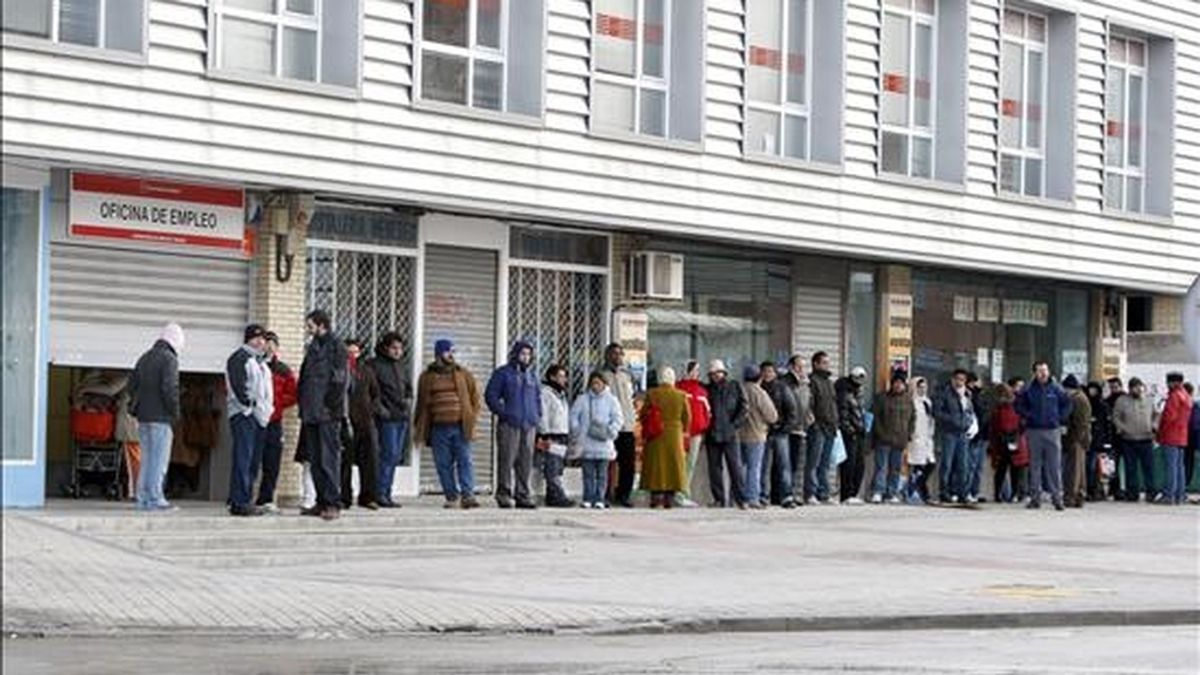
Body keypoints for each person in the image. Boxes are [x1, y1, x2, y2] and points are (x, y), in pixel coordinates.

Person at [414, 339, 482, 510]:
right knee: (443, 464)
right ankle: (451, 496)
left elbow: (475, 398)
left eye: (453, 352)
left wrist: (471, 418)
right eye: (447, 352)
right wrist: (419, 426)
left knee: (465, 461)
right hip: (438, 427)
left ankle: (468, 496)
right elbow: (421, 403)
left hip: (460, 426)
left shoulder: (463, 374)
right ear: (438, 353)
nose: (451, 355)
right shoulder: (427, 376)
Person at [297, 310, 349, 521]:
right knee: (315, 460)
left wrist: (330, 407)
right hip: (311, 412)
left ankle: (332, 503)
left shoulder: (336, 346)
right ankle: (320, 501)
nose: (308, 329)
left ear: (321, 325)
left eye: (310, 325)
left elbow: (339, 381)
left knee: (329, 459)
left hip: (327, 413)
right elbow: (304, 377)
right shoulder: (313, 347)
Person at [129, 322, 184, 512]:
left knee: (146, 459)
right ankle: (155, 498)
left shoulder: (144, 357)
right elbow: (170, 388)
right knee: (159, 460)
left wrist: (136, 409)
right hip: (161, 417)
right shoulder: (169, 359)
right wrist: (175, 412)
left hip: (143, 417)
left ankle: (143, 498)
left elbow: (132, 385)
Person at [485, 340, 542, 510]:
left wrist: (537, 416)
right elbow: (491, 396)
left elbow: (538, 398)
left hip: (529, 425)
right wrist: (504, 413)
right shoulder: (503, 373)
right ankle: (504, 494)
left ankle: (523, 494)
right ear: (515, 354)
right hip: (510, 424)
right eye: (523, 353)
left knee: (525, 462)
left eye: (528, 354)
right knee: (507, 460)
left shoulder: (532, 376)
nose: (526, 357)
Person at [225, 324, 273, 517]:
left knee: (252, 460)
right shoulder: (240, 358)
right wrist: (248, 406)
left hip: (258, 416)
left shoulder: (259, 361)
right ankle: (239, 501)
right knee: (243, 458)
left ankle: (245, 499)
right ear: (248, 339)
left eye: (263, 339)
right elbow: (238, 387)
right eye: (256, 338)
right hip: (244, 415)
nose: (261, 342)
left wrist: (265, 410)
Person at [1015, 361, 1072, 511]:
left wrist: (1059, 418)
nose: (1043, 373)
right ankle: (1035, 498)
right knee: (1035, 465)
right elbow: (1018, 405)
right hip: (1034, 430)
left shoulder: (1056, 388)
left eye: (1045, 370)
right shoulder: (1028, 389)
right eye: (1040, 371)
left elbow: (1067, 403)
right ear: (1035, 373)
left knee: (1054, 466)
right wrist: (1029, 416)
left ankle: (1057, 498)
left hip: (1052, 430)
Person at [253, 332, 297, 514]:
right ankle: (244, 497)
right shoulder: (253, 365)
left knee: (272, 463)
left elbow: (293, 394)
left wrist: (275, 404)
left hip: (274, 421)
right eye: (267, 343)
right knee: (252, 461)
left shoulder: (283, 370)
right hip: (256, 421)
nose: (270, 347)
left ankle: (267, 498)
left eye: (273, 344)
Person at [570, 371, 624, 509]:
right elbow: (573, 416)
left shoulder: (612, 400)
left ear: (604, 384)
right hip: (586, 443)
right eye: (593, 383)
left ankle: (600, 498)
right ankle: (587, 497)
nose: (596, 386)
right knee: (588, 473)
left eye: (598, 383)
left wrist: (611, 431)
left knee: (602, 474)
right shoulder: (582, 399)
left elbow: (618, 418)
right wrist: (577, 431)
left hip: (604, 443)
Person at [370, 332, 412, 509]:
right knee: (387, 455)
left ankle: (387, 492)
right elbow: (371, 392)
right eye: (394, 348)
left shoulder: (401, 366)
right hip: (386, 418)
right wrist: (382, 411)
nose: (398, 351)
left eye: (400, 348)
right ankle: (380, 493)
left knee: (394, 456)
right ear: (386, 348)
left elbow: (408, 388)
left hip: (401, 417)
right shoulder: (375, 365)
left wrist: (409, 402)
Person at [640, 366, 691, 509]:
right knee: (673, 465)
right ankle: (670, 498)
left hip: (655, 434)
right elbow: (687, 417)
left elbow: (643, 414)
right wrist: (683, 430)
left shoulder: (652, 394)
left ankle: (656, 498)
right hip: (674, 434)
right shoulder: (681, 395)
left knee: (656, 466)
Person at [341, 339, 381, 510]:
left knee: (369, 461)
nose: (352, 355)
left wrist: (371, 410)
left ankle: (368, 497)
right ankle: (344, 497)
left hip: (365, 421)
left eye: (355, 352)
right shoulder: (339, 370)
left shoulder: (366, 371)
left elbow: (376, 394)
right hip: (346, 421)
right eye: (349, 351)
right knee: (345, 462)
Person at [705, 359, 748, 508]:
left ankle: (741, 499)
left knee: (735, 467)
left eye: (718, 373)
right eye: (712, 374)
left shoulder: (734, 386)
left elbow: (744, 408)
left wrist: (734, 425)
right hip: (712, 434)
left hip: (730, 434)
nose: (715, 376)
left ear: (724, 372)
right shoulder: (707, 389)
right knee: (714, 469)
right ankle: (719, 499)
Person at [739, 364, 778, 509]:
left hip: (739, 435)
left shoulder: (739, 390)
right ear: (759, 377)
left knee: (740, 468)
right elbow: (772, 415)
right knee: (754, 468)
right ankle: (752, 498)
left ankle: (738, 496)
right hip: (756, 435)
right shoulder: (759, 392)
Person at [761, 361, 800, 508]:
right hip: (763, 433)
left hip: (780, 434)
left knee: (784, 465)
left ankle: (787, 496)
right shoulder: (759, 388)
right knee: (763, 467)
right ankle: (763, 496)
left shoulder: (782, 388)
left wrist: (785, 428)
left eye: (770, 371)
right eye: (765, 371)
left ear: (775, 373)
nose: (767, 374)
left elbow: (792, 410)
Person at [933, 369, 975, 504]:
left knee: (963, 465)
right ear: (952, 379)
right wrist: (953, 420)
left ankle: (962, 492)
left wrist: (968, 422)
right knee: (947, 464)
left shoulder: (967, 394)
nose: (960, 382)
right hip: (949, 432)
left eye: (963, 379)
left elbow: (970, 412)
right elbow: (937, 412)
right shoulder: (945, 394)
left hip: (963, 433)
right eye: (957, 379)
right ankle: (944, 492)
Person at [871, 371, 913, 504]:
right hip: (883, 439)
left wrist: (908, 434)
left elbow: (913, 419)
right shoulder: (882, 398)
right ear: (892, 383)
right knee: (881, 467)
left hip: (900, 439)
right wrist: (880, 433)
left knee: (896, 468)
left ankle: (892, 493)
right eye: (896, 383)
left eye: (901, 383)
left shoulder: (908, 400)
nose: (898, 385)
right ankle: (878, 491)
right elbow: (875, 418)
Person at [1112, 377, 1155, 502]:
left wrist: (1154, 425)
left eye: (1140, 387)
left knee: (1148, 468)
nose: (1138, 389)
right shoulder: (1122, 401)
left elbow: (1156, 414)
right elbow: (1116, 417)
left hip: (1146, 439)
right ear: (1130, 389)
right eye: (1135, 387)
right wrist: (1122, 428)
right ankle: (1132, 493)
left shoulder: (1148, 400)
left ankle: (1150, 492)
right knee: (1131, 468)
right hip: (1128, 440)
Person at [676, 360, 711, 507]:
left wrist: (704, 427)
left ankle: (683, 492)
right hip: (681, 432)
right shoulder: (679, 388)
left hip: (696, 433)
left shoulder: (701, 391)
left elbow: (707, 412)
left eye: (697, 370)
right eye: (693, 370)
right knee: (680, 463)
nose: (696, 373)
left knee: (690, 464)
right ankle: (679, 493)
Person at [537, 364, 574, 507]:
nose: (564, 379)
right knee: (552, 467)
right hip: (551, 434)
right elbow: (543, 414)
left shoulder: (561, 394)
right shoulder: (546, 393)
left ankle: (552, 495)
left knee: (558, 467)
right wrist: (544, 433)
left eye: (565, 376)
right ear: (552, 377)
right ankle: (558, 495)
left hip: (562, 433)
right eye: (561, 376)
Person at [780, 354, 814, 506]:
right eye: (799, 366)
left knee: (797, 464)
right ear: (791, 367)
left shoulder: (804, 384)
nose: (802, 370)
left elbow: (807, 405)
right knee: (786, 465)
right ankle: (786, 495)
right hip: (789, 429)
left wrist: (809, 419)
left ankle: (794, 493)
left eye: (803, 367)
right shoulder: (786, 383)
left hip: (801, 429)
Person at [807, 351, 839, 504]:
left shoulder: (829, 382)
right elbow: (810, 405)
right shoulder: (812, 381)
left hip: (830, 428)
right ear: (816, 364)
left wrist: (835, 424)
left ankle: (824, 493)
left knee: (825, 464)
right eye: (824, 362)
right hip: (818, 427)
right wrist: (814, 423)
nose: (827, 365)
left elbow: (833, 405)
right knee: (813, 462)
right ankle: (810, 493)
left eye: (828, 362)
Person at [835, 366, 869, 504]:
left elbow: (860, 412)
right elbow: (842, 414)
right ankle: (846, 494)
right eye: (859, 378)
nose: (861, 381)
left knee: (860, 465)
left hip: (860, 432)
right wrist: (849, 430)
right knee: (849, 465)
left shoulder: (859, 392)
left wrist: (864, 427)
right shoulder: (844, 391)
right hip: (849, 434)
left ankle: (854, 493)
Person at [1157, 372, 1192, 506]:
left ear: (1174, 382)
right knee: (1179, 467)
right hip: (1182, 436)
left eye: (1168, 382)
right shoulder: (1186, 396)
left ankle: (1168, 495)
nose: (1167, 385)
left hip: (1170, 435)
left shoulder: (1174, 396)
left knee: (1170, 467)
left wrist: (1160, 432)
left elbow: (1169, 417)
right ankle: (1180, 495)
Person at [989, 379, 1024, 503]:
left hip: (1002, 440)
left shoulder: (997, 408)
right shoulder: (1014, 406)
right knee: (1014, 469)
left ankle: (1000, 494)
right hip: (1013, 440)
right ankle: (1014, 494)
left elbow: (994, 426)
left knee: (1002, 469)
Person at [1061, 375, 1092, 509]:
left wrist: (1076, 439)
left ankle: (1072, 496)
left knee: (1074, 469)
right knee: (1079, 469)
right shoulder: (1080, 398)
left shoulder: (1077, 400)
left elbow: (1081, 423)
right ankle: (1079, 495)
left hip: (1076, 439)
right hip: (1079, 438)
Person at [907, 376, 936, 504]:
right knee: (917, 466)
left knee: (930, 464)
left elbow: (931, 420)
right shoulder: (911, 402)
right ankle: (918, 492)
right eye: (919, 387)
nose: (922, 390)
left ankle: (919, 488)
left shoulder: (927, 402)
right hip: (915, 437)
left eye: (924, 387)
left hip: (927, 438)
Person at [964, 372, 991, 503]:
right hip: (973, 435)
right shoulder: (970, 396)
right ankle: (967, 491)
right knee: (971, 465)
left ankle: (974, 491)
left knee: (978, 466)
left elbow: (985, 413)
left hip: (982, 434)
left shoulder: (980, 395)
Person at [1084, 381, 1111, 502]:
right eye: (1090, 389)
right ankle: (1090, 490)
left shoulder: (1103, 406)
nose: (1092, 392)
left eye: (1094, 389)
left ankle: (1096, 490)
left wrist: (1107, 442)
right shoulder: (1086, 403)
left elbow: (1107, 425)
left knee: (1097, 468)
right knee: (1089, 467)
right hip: (1087, 440)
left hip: (1098, 441)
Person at [1104, 377, 1127, 499]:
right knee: (1112, 465)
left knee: (1124, 465)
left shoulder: (1126, 400)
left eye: (1115, 387)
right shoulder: (1107, 401)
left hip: (1125, 437)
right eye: (1111, 387)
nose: (1113, 389)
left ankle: (1122, 489)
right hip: (1112, 437)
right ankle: (1115, 488)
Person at [1186, 382, 1200, 493]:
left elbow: (1194, 425)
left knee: (1187, 464)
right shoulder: (1195, 404)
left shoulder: (1195, 405)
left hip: (1190, 439)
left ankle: (1183, 488)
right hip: (1192, 439)